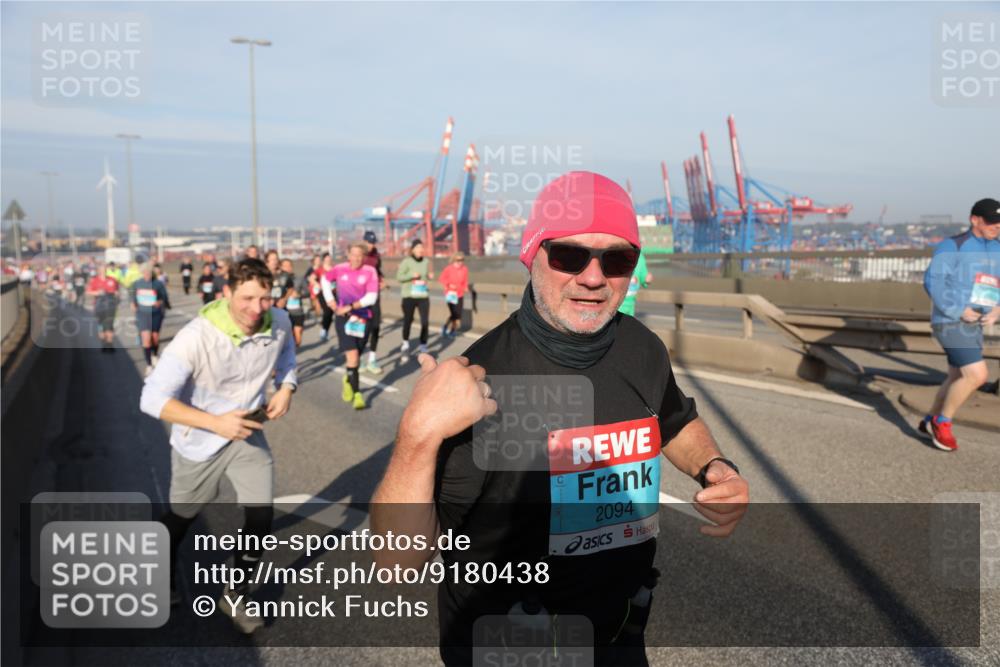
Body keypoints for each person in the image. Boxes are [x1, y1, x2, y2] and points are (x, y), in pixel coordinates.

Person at [372, 172, 749, 666]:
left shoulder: (642, 349)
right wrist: (416, 433)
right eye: (570, 255)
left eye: (616, 259)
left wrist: (714, 468)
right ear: (532, 254)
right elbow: (396, 564)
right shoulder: (480, 380)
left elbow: (673, 423)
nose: (593, 278)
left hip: (620, 636)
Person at [139, 258, 297, 634]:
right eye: (247, 298)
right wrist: (215, 422)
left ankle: (235, 592)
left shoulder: (280, 322)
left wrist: (288, 386)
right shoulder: (197, 336)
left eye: (264, 298)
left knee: (261, 516)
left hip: (246, 430)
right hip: (200, 440)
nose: (256, 309)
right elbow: (151, 398)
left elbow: (287, 357)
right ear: (227, 292)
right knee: (181, 518)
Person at [920, 197, 1000, 451]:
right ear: (974, 220)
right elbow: (933, 282)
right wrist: (957, 309)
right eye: (991, 221)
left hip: (976, 323)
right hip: (950, 321)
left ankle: (928, 419)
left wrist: (997, 309)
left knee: (956, 375)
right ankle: (942, 423)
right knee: (977, 375)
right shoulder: (952, 246)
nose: (996, 226)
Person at [327, 243, 379, 409]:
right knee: (354, 356)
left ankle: (348, 378)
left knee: (356, 358)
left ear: (363, 257)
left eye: (360, 255)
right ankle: (358, 394)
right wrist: (330, 301)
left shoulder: (370, 271)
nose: (356, 258)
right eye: (353, 254)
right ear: (348, 255)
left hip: (364, 318)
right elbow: (323, 279)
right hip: (344, 319)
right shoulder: (340, 268)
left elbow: (372, 297)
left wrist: (351, 306)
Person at [396, 239, 434, 361]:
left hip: (422, 295)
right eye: (418, 248)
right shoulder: (407, 262)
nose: (420, 250)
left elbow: (427, 275)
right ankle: (405, 344)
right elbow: (399, 277)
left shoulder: (426, 261)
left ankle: (423, 345)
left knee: (425, 322)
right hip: (409, 296)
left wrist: (429, 276)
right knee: (408, 320)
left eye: (422, 248)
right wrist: (411, 276)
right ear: (412, 249)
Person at [131, 262, 170, 376]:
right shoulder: (137, 283)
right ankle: (149, 365)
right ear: (142, 273)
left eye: (149, 272)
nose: (147, 274)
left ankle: (154, 355)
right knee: (146, 339)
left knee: (155, 338)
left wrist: (161, 302)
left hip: (156, 313)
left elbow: (164, 297)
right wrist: (133, 304)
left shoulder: (158, 284)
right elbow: (132, 295)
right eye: (144, 272)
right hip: (142, 314)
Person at [361, 231, 385, 375]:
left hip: (374, 295)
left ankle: (372, 359)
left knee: (375, 327)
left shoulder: (377, 255)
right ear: (364, 241)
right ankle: (361, 359)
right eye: (369, 242)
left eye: (373, 242)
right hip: (360, 297)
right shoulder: (359, 255)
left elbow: (378, 271)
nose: (371, 245)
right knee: (362, 329)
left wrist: (382, 280)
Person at [86, 262, 120, 352]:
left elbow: (117, 292)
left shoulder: (112, 280)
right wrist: (97, 292)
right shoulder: (95, 280)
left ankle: (110, 344)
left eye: (105, 269)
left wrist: (116, 296)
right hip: (99, 306)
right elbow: (88, 291)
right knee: (101, 326)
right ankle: (104, 343)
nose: (103, 271)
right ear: (98, 271)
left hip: (110, 306)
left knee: (109, 325)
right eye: (101, 270)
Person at [438, 252, 469, 338]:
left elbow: (465, 280)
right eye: (458, 260)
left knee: (458, 314)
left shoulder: (465, 269)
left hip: (460, 294)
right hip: (451, 294)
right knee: (454, 314)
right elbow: (441, 279)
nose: (460, 262)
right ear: (454, 260)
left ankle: (445, 327)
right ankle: (451, 331)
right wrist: (448, 284)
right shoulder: (449, 269)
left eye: (462, 260)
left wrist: (466, 287)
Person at [618, 247, 652, 317]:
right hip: (616, 305)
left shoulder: (640, 257)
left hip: (630, 305)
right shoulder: (618, 254)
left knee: (628, 325)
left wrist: (647, 279)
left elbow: (643, 275)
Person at [280, 258, 306, 347]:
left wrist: (299, 294)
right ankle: (290, 355)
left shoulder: (299, 279)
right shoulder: (278, 280)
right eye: (285, 266)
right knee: (288, 337)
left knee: (298, 337)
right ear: (281, 267)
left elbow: (307, 292)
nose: (287, 268)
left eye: (289, 266)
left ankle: (294, 350)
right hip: (283, 311)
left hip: (297, 311)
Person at [318, 253, 337, 342]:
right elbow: (311, 278)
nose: (329, 260)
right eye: (327, 259)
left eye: (330, 258)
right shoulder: (320, 269)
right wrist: (318, 285)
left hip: (334, 292)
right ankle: (323, 330)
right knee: (327, 311)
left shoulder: (335, 269)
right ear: (324, 260)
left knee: (331, 313)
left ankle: (325, 330)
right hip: (322, 293)